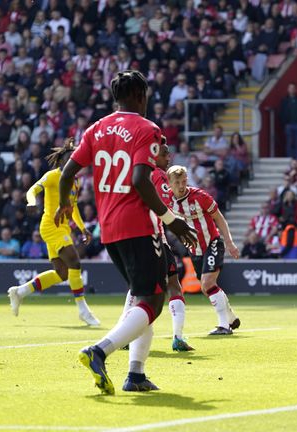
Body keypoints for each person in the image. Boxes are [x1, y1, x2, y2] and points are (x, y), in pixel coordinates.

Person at [55, 70, 197, 395]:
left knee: (142, 296)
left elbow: (66, 175)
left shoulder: (95, 128)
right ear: (139, 96)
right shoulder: (147, 129)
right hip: (138, 225)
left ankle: (136, 374)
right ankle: (99, 351)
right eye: (145, 96)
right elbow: (138, 180)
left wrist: (65, 205)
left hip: (109, 228)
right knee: (153, 300)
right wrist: (170, 217)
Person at [7, 138, 100, 326]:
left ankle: (20, 291)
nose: (72, 161)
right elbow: (32, 189)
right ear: (60, 161)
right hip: (50, 225)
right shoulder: (52, 176)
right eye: (68, 159)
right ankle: (83, 310)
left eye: (74, 158)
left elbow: (72, 208)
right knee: (74, 261)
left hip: (63, 227)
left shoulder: (76, 182)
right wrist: (31, 202)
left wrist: (83, 228)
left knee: (62, 274)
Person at [166, 164, 241, 335]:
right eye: (177, 182)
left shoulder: (200, 197)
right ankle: (230, 317)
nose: (181, 185)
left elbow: (219, 219)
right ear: (169, 183)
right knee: (206, 288)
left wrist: (229, 243)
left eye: (183, 181)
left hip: (212, 242)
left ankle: (224, 326)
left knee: (207, 283)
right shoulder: (167, 200)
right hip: (195, 249)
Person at [149, 138, 193, 351]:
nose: (168, 158)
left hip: (150, 236)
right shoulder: (157, 175)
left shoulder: (142, 172)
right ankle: (177, 337)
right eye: (165, 154)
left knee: (145, 287)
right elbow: (168, 200)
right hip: (152, 236)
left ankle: (177, 337)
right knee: (167, 287)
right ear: (154, 155)